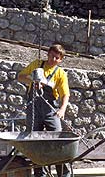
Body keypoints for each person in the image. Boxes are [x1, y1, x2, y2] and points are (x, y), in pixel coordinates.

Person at [18, 43, 70, 177]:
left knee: (58, 140)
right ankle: (39, 173)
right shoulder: (36, 64)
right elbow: (20, 77)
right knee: (35, 141)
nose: (53, 60)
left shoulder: (60, 73)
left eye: (57, 58)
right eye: (52, 56)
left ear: (61, 60)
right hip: (33, 108)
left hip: (50, 109)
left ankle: (63, 174)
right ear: (48, 54)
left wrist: (62, 109)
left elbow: (65, 94)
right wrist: (32, 80)